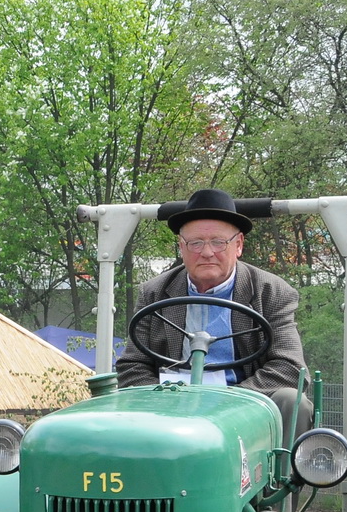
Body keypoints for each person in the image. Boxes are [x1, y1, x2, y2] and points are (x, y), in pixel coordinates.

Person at [115, 188, 309, 440]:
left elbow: (289, 367)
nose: (207, 252)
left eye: (219, 242)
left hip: (244, 403)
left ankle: (286, 478)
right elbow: (132, 366)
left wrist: (231, 402)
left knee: (292, 401)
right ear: (181, 247)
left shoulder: (271, 292)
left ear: (238, 245)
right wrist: (165, 400)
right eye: (196, 243)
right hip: (168, 406)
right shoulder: (154, 292)